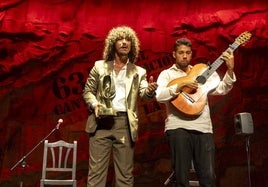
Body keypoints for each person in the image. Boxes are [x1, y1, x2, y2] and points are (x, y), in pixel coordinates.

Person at [82, 25, 158, 187]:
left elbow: (144, 94)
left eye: (128, 40)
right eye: (120, 39)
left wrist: (150, 91)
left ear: (132, 45)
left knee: (124, 176)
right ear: (113, 44)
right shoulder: (99, 66)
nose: (124, 43)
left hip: (124, 125)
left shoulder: (139, 71)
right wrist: (95, 104)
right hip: (100, 123)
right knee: (96, 174)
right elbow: (88, 91)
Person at [155, 38, 236, 187]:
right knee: (181, 177)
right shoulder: (166, 74)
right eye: (181, 53)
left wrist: (230, 69)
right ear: (174, 54)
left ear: (191, 54)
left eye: (187, 53)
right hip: (177, 127)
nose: (184, 56)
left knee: (208, 177)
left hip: (203, 128)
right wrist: (181, 85)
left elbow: (222, 89)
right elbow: (160, 96)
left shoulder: (201, 71)